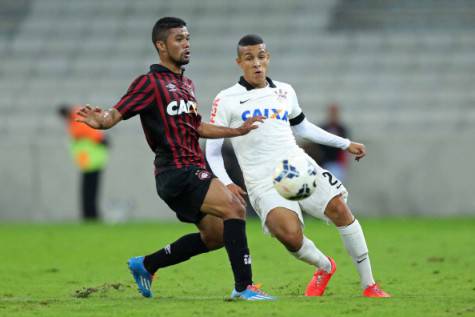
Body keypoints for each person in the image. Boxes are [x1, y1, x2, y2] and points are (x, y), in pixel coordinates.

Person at [75, 17, 274, 301]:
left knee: (216, 236)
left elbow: (196, 127)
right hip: (176, 172)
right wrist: (103, 120)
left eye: (188, 38)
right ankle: (245, 287)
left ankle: (147, 264)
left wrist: (236, 130)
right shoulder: (149, 83)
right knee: (235, 207)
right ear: (161, 45)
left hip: (192, 168)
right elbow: (115, 114)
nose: (186, 44)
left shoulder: (186, 84)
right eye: (179, 39)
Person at [205, 34, 390, 298]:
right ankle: (325, 266)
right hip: (261, 180)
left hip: (297, 165)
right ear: (239, 62)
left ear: (267, 58)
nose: (256, 63)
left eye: (261, 56)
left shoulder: (284, 91)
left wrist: (344, 143)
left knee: (340, 208)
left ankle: (369, 285)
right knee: (290, 236)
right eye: (249, 58)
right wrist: (226, 182)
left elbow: (302, 126)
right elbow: (213, 151)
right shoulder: (226, 99)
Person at [58, 104, 109, 220]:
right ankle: (91, 215)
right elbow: (92, 134)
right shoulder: (76, 120)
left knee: (88, 192)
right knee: (90, 191)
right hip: (91, 162)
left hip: (89, 162)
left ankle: (90, 215)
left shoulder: (75, 123)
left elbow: (84, 133)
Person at [318, 103, 349, 182]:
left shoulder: (342, 129)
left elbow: (345, 147)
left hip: (336, 163)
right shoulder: (323, 128)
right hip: (323, 163)